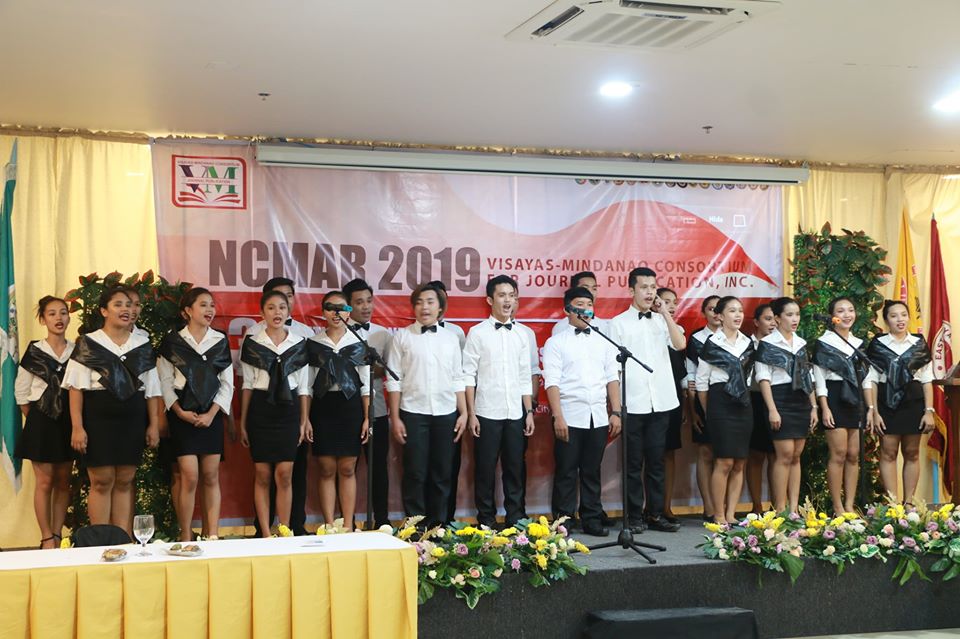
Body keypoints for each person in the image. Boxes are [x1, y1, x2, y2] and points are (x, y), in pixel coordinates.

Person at [63, 287, 161, 534]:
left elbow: (152, 390)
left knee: (125, 480)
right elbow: (76, 389)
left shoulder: (142, 344)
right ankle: (101, 541)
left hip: (132, 418)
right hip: (98, 419)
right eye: (118, 305)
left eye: (129, 305)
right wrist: (77, 427)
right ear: (104, 311)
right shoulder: (89, 343)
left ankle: (122, 540)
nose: (126, 309)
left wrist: (153, 424)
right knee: (102, 480)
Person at [610, 268, 685, 533]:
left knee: (657, 461)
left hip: (661, 401)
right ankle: (633, 517)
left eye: (653, 287)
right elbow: (613, 369)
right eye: (644, 287)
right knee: (633, 464)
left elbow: (680, 344)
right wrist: (616, 408)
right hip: (633, 402)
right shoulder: (618, 323)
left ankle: (655, 513)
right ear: (632, 290)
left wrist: (665, 313)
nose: (650, 292)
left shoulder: (662, 321)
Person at [386, 282, 467, 527]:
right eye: (419, 302)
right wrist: (396, 418)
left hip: (446, 412)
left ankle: (438, 527)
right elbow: (394, 380)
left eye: (430, 302)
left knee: (442, 473)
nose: (424, 307)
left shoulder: (451, 338)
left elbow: (458, 377)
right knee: (415, 473)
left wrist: (464, 412)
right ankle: (415, 528)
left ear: (440, 308)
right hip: (413, 413)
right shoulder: (402, 337)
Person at [544, 286, 621, 537]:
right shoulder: (556, 342)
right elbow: (552, 382)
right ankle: (563, 521)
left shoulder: (604, 341)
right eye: (579, 305)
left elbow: (612, 378)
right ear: (567, 309)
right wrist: (558, 416)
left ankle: (592, 518)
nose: (585, 310)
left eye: (589, 305)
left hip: (597, 415)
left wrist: (616, 411)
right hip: (569, 415)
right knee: (566, 471)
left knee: (592, 470)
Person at [158, 288, 233, 541]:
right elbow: (164, 381)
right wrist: (179, 412)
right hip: (182, 412)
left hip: (211, 412)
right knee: (189, 475)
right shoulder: (172, 342)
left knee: (211, 475)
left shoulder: (219, 341)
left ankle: (213, 534)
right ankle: (186, 534)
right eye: (203, 305)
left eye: (212, 305)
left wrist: (212, 414)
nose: (209, 310)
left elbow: (227, 383)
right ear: (187, 311)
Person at [463, 275, 535, 528]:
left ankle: (516, 520)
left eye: (512, 296)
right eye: (502, 295)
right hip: (486, 412)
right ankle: (486, 521)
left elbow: (525, 376)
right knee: (485, 469)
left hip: (515, 412)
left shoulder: (522, 335)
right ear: (489, 300)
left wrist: (528, 411)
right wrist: (472, 413)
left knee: (515, 468)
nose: (508, 301)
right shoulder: (477, 333)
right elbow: (468, 376)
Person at [245, 276, 315, 535]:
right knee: (262, 474)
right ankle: (265, 533)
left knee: (285, 473)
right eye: (271, 307)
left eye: (282, 307)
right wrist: (243, 423)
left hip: (289, 410)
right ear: (262, 312)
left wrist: (304, 420)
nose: (277, 312)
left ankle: (285, 532)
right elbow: (247, 385)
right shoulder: (253, 342)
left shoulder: (298, 344)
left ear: (289, 311)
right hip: (261, 410)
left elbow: (305, 387)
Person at [307, 291, 370, 529]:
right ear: (323, 312)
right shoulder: (314, 344)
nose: (336, 313)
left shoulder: (358, 343)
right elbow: (307, 386)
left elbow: (366, 386)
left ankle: (348, 525)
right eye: (330, 308)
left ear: (349, 312)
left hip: (350, 406)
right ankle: (329, 526)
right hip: (323, 406)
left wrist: (367, 417)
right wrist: (306, 419)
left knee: (347, 467)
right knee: (326, 468)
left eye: (342, 308)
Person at [15, 296, 75, 548]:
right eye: (52, 314)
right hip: (41, 420)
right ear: (42, 319)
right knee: (44, 481)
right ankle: (46, 537)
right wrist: (38, 419)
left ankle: (58, 535)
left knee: (63, 481)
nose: (58, 318)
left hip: (70, 421)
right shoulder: (35, 352)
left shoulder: (77, 351)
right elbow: (21, 393)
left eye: (63, 312)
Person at [863, 300, 935, 504]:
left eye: (903, 315)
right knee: (888, 452)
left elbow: (927, 379)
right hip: (887, 402)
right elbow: (871, 380)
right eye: (894, 316)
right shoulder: (878, 345)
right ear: (886, 321)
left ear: (909, 317)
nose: (900, 319)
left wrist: (929, 410)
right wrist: (874, 410)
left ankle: (909, 503)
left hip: (913, 402)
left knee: (912, 453)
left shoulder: (918, 343)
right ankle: (894, 504)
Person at [754, 296, 818, 514]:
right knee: (784, 454)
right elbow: (763, 378)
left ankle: (794, 508)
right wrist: (772, 410)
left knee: (796, 455)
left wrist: (814, 407)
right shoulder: (767, 344)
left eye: (797, 314)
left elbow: (808, 376)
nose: (794, 319)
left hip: (801, 400)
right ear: (778, 318)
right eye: (789, 315)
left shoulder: (800, 343)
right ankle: (780, 508)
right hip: (779, 399)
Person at [695, 296, 755, 525]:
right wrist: (708, 411)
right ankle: (718, 514)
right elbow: (702, 383)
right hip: (719, 403)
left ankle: (731, 513)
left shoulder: (748, 343)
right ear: (720, 316)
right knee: (724, 462)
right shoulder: (712, 344)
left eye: (740, 310)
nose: (738, 315)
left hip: (743, 403)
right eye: (732, 311)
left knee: (739, 462)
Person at [343, 277, 393, 528]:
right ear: (348, 306)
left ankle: (381, 521)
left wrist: (368, 368)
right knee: (346, 469)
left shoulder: (383, 334)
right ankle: (346, 523)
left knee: (378, 468)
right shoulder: (340, 332)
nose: (366, 307)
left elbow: (389, 370)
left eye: (369, 301)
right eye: (359, 302)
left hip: (378, 410)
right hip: (347, 411)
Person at [813, 297, 868, 515]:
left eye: (851, 310)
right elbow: (819, 378)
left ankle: (849, 505)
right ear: (832, 316)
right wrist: (824, 407)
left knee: (854, 454)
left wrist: (870, 408)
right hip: (834, 396)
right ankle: (837, 506)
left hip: (856, 397)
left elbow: (865, 378)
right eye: (841, 311)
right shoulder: (824, 343)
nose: (847, 315)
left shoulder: (858, 344)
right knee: (839, 453)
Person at [428, 281, 467, 521]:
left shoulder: (456, 333)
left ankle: (447, 519)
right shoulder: (409, 335)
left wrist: (464, 411)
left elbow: (460, 375)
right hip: (420, 410)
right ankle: (422, 522)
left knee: (448, 467)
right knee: (422, 468)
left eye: (441, 300)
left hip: (450, 409)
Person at [686, 295, 721, 520]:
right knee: (706, 452)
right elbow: (691, 377)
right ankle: (709, 506)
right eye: (711, 309)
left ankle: (724, 508)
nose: (716, 313)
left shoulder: (739, 339)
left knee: (727, 456)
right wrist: (693, 410)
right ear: (704, 312)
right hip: (703, 397)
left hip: (730, 402)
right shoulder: (697, 339)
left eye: (719, 309)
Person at [657, 287, 686, 524]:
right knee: (647, 455)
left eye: (674, 302)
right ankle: (647, 507)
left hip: (673, 398)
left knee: (668, 452)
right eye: (666, 301)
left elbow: (682, 370)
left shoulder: (678, 332)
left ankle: (665, 506)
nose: (671, 306)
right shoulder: (646, 329)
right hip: (648, 399)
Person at [746, 303, 776, 514]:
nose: (772, 323)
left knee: (776, 456)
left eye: (775, 319)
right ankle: (756, 506)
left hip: (779, 400)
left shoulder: (781, 344)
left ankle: (777, 505)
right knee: (756, 456)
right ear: (756, 322)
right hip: (754, 400)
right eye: (767, 319)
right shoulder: (747, 346)